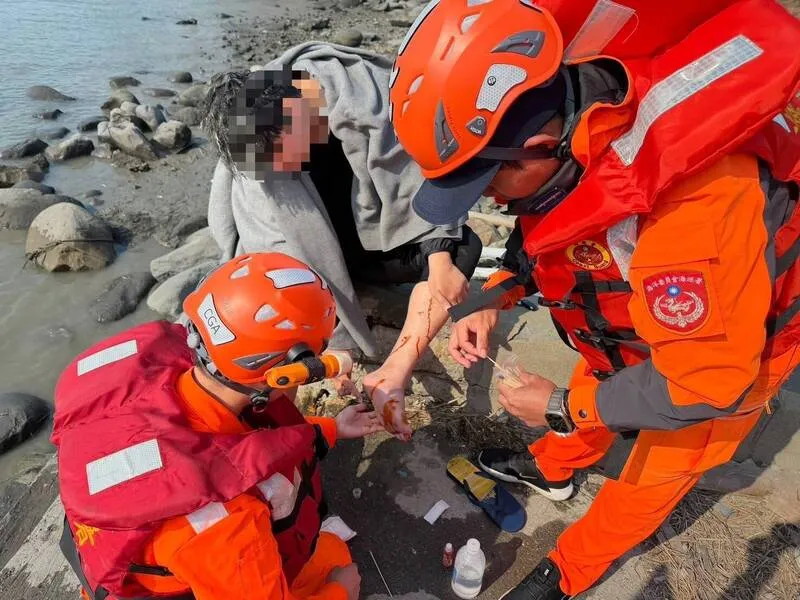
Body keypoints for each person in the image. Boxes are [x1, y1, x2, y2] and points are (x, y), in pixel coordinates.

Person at [390, 0, 800, 597]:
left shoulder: (694, 211)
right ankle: (555, 470)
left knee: (651, 475)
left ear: (537, 142)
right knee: (599, 372)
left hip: (728, 359)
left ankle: (569, 571)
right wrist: (493, 296)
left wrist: (559, 406)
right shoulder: (577, 123)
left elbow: (706, 384)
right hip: (627, 330)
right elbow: (560, 245)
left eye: (488, 181)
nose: (495, 204)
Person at [52, 253, 385, 600]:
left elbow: (221, 440)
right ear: (285, 373)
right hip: (194, 572)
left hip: (125, 553)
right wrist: (338, 591)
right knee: (333, 555)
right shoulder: (228, 521)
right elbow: (231, 464)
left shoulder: (161, 379)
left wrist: (328, 429)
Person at [202, 42, 483, 440]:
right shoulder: (256, 148)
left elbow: (426, 180)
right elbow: (271, 249)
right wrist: (332, 346)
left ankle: (393, 373)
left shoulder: (367, 99)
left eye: (281, 155)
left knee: (461, 247)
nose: (279, 171)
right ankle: (260, 424)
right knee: (270, 296)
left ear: (294, 114)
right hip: (335, 256)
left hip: (382, 237)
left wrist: (438, 256)